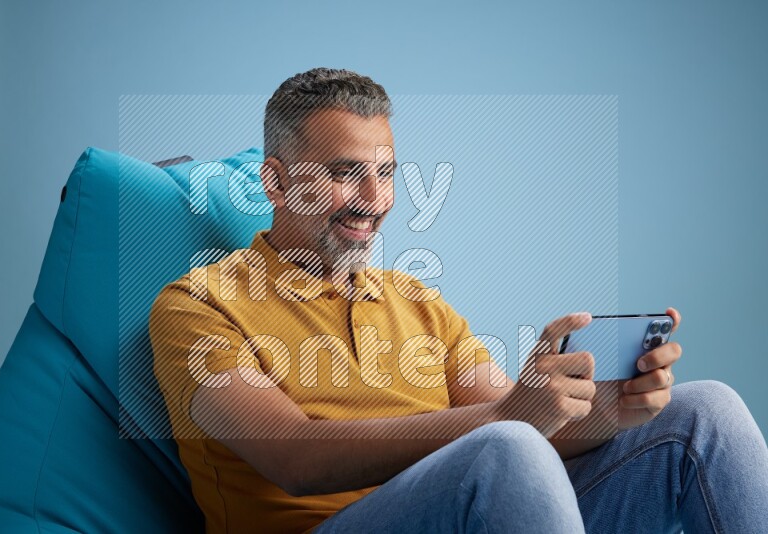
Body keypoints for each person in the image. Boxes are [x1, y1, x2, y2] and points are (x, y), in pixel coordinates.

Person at [148, 67, 768, 533]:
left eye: (386, 172)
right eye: (343, 174)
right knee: (506, 446)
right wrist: (507, 421)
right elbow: (296, 459)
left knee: (704, 412)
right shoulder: (196, 306)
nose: (374, 199)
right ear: (276, 180)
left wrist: (603, 411)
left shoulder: (418, 305)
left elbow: (522, 429)